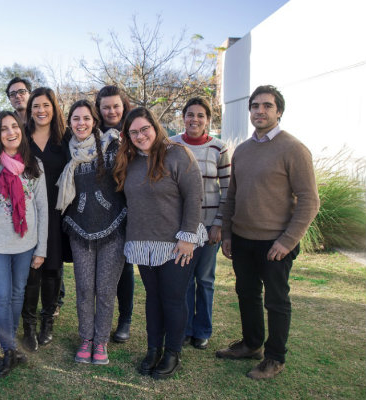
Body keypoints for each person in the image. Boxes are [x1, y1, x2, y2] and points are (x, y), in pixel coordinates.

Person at [218, 85, 319, 380]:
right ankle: (251, 344)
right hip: (242, 238)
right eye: (255, 106)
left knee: (276, 301)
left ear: (279, 112)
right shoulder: (244, 150)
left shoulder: (294, 149)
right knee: (246, 293)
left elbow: (310, 201)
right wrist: (226, 232)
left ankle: (275, 357)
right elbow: (233, 195)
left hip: (275, 243)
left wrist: (287, 241)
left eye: (267, 106)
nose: (260, 111)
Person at [113, 107, 207, 379]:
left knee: (173, 299)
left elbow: (194, 197)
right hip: (144, 243)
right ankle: (153, 348)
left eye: (145, 129)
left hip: (177, 243)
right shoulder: (129, 161)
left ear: (155, 127)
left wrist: (188, 237)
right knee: (153, 299)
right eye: (134, 132)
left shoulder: (177, 154)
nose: (141, 136)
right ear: (127, 137)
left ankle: (172, 352)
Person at [0, 111, 48, 378]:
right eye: (3, 129)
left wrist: (41, 248)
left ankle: (8, 343)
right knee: (2, 296)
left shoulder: (33, 164)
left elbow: (41, 207)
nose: (10, 132)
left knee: (18, 293)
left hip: (25, 242)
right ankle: (8, 349)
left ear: (21, 131)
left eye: (14, 127)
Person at [57, 100, 126, 365]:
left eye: (86, 118)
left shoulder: (113, 146)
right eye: (76, 119)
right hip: (79, 229)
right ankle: (85, 338)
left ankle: (101, 342)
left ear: (94, 121)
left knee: (106, 290)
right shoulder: (67, 150)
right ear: (69, 122)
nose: (81, 123)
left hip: (113, 228)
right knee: (85, 288)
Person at [170, 97, 231, 350]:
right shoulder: (171, 145)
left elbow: (227, 190)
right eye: (190, 114)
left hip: (207, 227)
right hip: (180, 226)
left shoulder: (219, 148)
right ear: (183, 117)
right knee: (183, 280)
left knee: (205, 279)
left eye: (200, 115)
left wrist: (218, 224)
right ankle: (184, 329)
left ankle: (202, 330)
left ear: (208, 119)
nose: (194, 119)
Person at [21, 87, 67, 351]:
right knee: (30, 270)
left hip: (57, 212)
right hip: (27, 212)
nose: (41, 111)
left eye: (46, 105)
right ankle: (28, 325)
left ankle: (47, 320)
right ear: (30, 110)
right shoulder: (22, 138)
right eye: (36, 106)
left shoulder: (65, 138)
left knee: (52, 269)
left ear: (54, 108)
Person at [95, 85, 135, 343]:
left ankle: (125, 320)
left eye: (116, 106)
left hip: (127, 208)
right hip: (97, 208)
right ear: (98, 109)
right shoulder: (92, 133)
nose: (111, 111)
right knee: (98, 269)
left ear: (124, 106)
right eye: (106, 106)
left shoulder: (133, 132)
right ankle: (98, 320)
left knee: (124, 268)